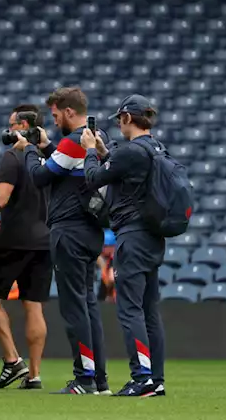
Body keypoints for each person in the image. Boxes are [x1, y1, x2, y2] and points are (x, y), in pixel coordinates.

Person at [15, 87, 110, 395]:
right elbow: (67, 168)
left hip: (69, 231)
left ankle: (83, 379)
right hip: (90, 230)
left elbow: (39, 177)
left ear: (69, 112)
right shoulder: (94, 138)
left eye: (55, 115)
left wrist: (29, 148)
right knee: (88, 305)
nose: (54, 120)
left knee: (73, 308)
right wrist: (47, 147)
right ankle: (98, 380)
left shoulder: (74, 140)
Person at [82, 95, 167, 397]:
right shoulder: (157, 148)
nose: (118, 125)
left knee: (130, 309)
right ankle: (156, 379)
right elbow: (124, 175)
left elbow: (92, 179)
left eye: (119, 119)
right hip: (154, 236)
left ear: (128, 119)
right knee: (149, 309)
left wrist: (91, 151)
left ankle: (141, 377)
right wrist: (106, 154)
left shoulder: (130, 151)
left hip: (132, 236)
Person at [0, 104, 51, 391]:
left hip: (14, 240)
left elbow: (0, 199)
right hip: (44, 240)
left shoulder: (14, 155)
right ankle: (35, 375)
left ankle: (12, 360)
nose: (8, 131)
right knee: (34, 305)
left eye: (11, 125)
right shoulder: (50, 157)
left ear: (23, 126)